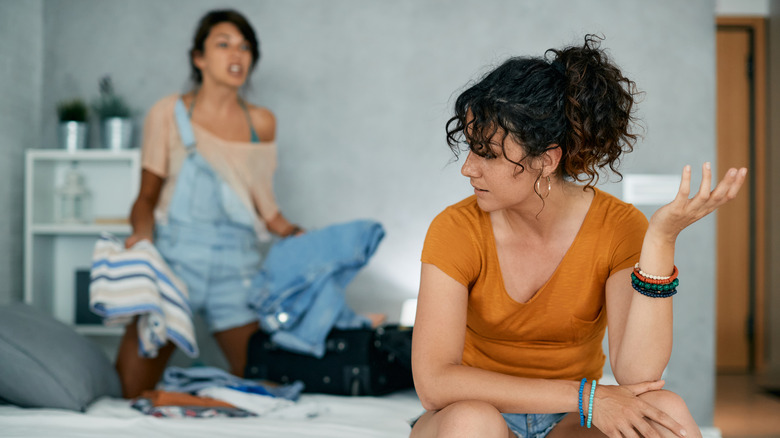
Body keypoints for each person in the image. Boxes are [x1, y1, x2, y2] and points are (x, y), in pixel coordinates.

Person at [410, 35, 747, 438]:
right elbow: (434, 384)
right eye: (470, 149)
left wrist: (660, 239)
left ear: (546, 160)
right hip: (479, 412)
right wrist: (587, 397)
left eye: (487, 154)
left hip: (567, 420)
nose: (468, 168)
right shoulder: (455, 229)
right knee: (471, 422)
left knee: (665, 408)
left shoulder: (619, 226)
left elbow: (638, 373)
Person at [116, 9, 303, 399]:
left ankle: (188, 399)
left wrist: (300, 237)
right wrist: (142, 237)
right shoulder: (168, 112)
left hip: (237, 271)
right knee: (129, 388)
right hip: (175, 262)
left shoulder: (261, 123)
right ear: (199, 58)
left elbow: (265, 207)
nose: (237, 54)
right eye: (223, 44)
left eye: (245, 46)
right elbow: (146, 196)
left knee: (263, 385)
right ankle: (176, 398)